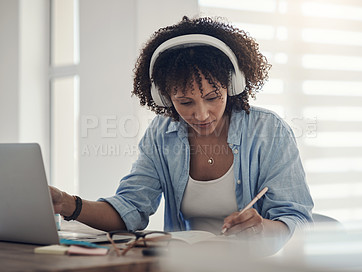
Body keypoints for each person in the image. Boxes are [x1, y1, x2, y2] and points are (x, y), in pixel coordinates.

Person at [50, 16, 313, 246]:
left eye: (213, 97)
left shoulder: (268, 131)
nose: (201, 114)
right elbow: (130, 208)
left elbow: (298, 220)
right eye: (185, 102)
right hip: (185, 263)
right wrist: (67, 204)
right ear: (164, 98)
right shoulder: (162, 133)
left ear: (232, 86)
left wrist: (262, 229)